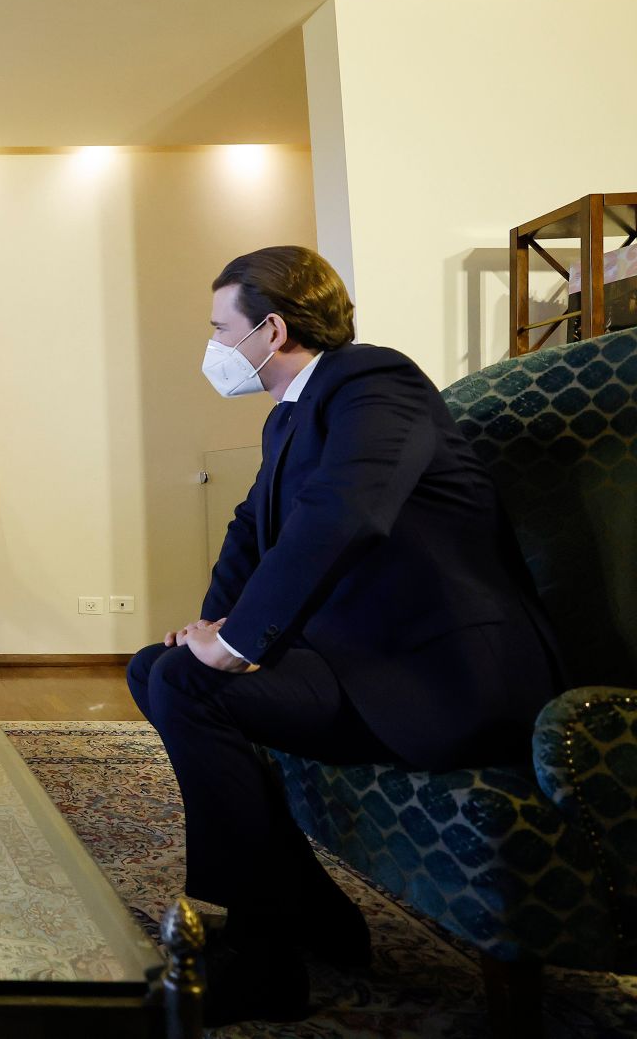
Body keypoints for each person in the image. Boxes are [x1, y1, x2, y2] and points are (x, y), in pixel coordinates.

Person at [127, 246, 558, 1024]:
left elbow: (347, 512)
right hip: (363, 661)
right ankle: (310, 909)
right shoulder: (289, 415)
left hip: (446, 675)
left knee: (191, 682)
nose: (214, 346)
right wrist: (208, 626)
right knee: (156, 665)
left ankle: (266, 960)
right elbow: (248, 533)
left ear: (273, 327)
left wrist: (236, 644)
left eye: (221, 328)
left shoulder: (373, 381)